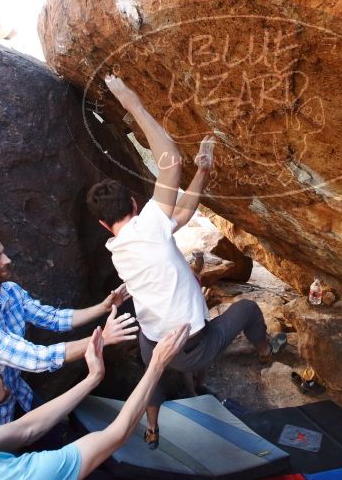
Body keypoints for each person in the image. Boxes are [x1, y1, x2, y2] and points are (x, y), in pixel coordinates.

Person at [87, 74, 286, 449]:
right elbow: (170, 162)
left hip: (155, 344)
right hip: (194, 346)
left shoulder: (121, 249)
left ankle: (151, 426)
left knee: (154, 371)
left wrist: (204, 173)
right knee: (247, 309)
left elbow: (180, 214)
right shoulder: (148, 227)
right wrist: (133, 103)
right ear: (134, 205)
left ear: (103, 225)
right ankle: (265, 352)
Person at [0, 322, 191, 479]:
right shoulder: (11, 475)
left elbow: (27, 428)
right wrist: (157, 365)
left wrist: (92, 379)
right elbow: (116, 434)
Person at [0, 227, 140, 426]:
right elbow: (34, 358)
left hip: (15, 392)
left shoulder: (8, 291)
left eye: (3, 253)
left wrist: (103, 307)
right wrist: (102, 339)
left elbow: (52, 318)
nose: (7, 260)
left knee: (56, 432)